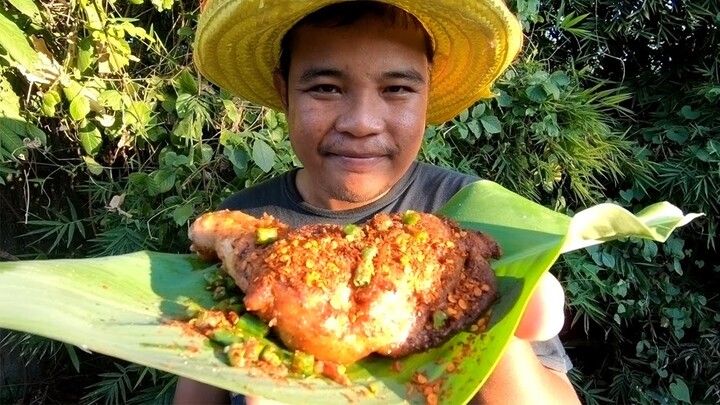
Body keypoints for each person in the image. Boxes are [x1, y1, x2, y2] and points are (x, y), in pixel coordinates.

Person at [175, 0, 581, 403]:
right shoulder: (239, 228)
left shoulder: (470, 215)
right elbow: (197, 380)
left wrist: (488, 321)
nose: (361, 123)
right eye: (326, 88)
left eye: (397, 89)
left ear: (427, 90)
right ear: (285, 91)